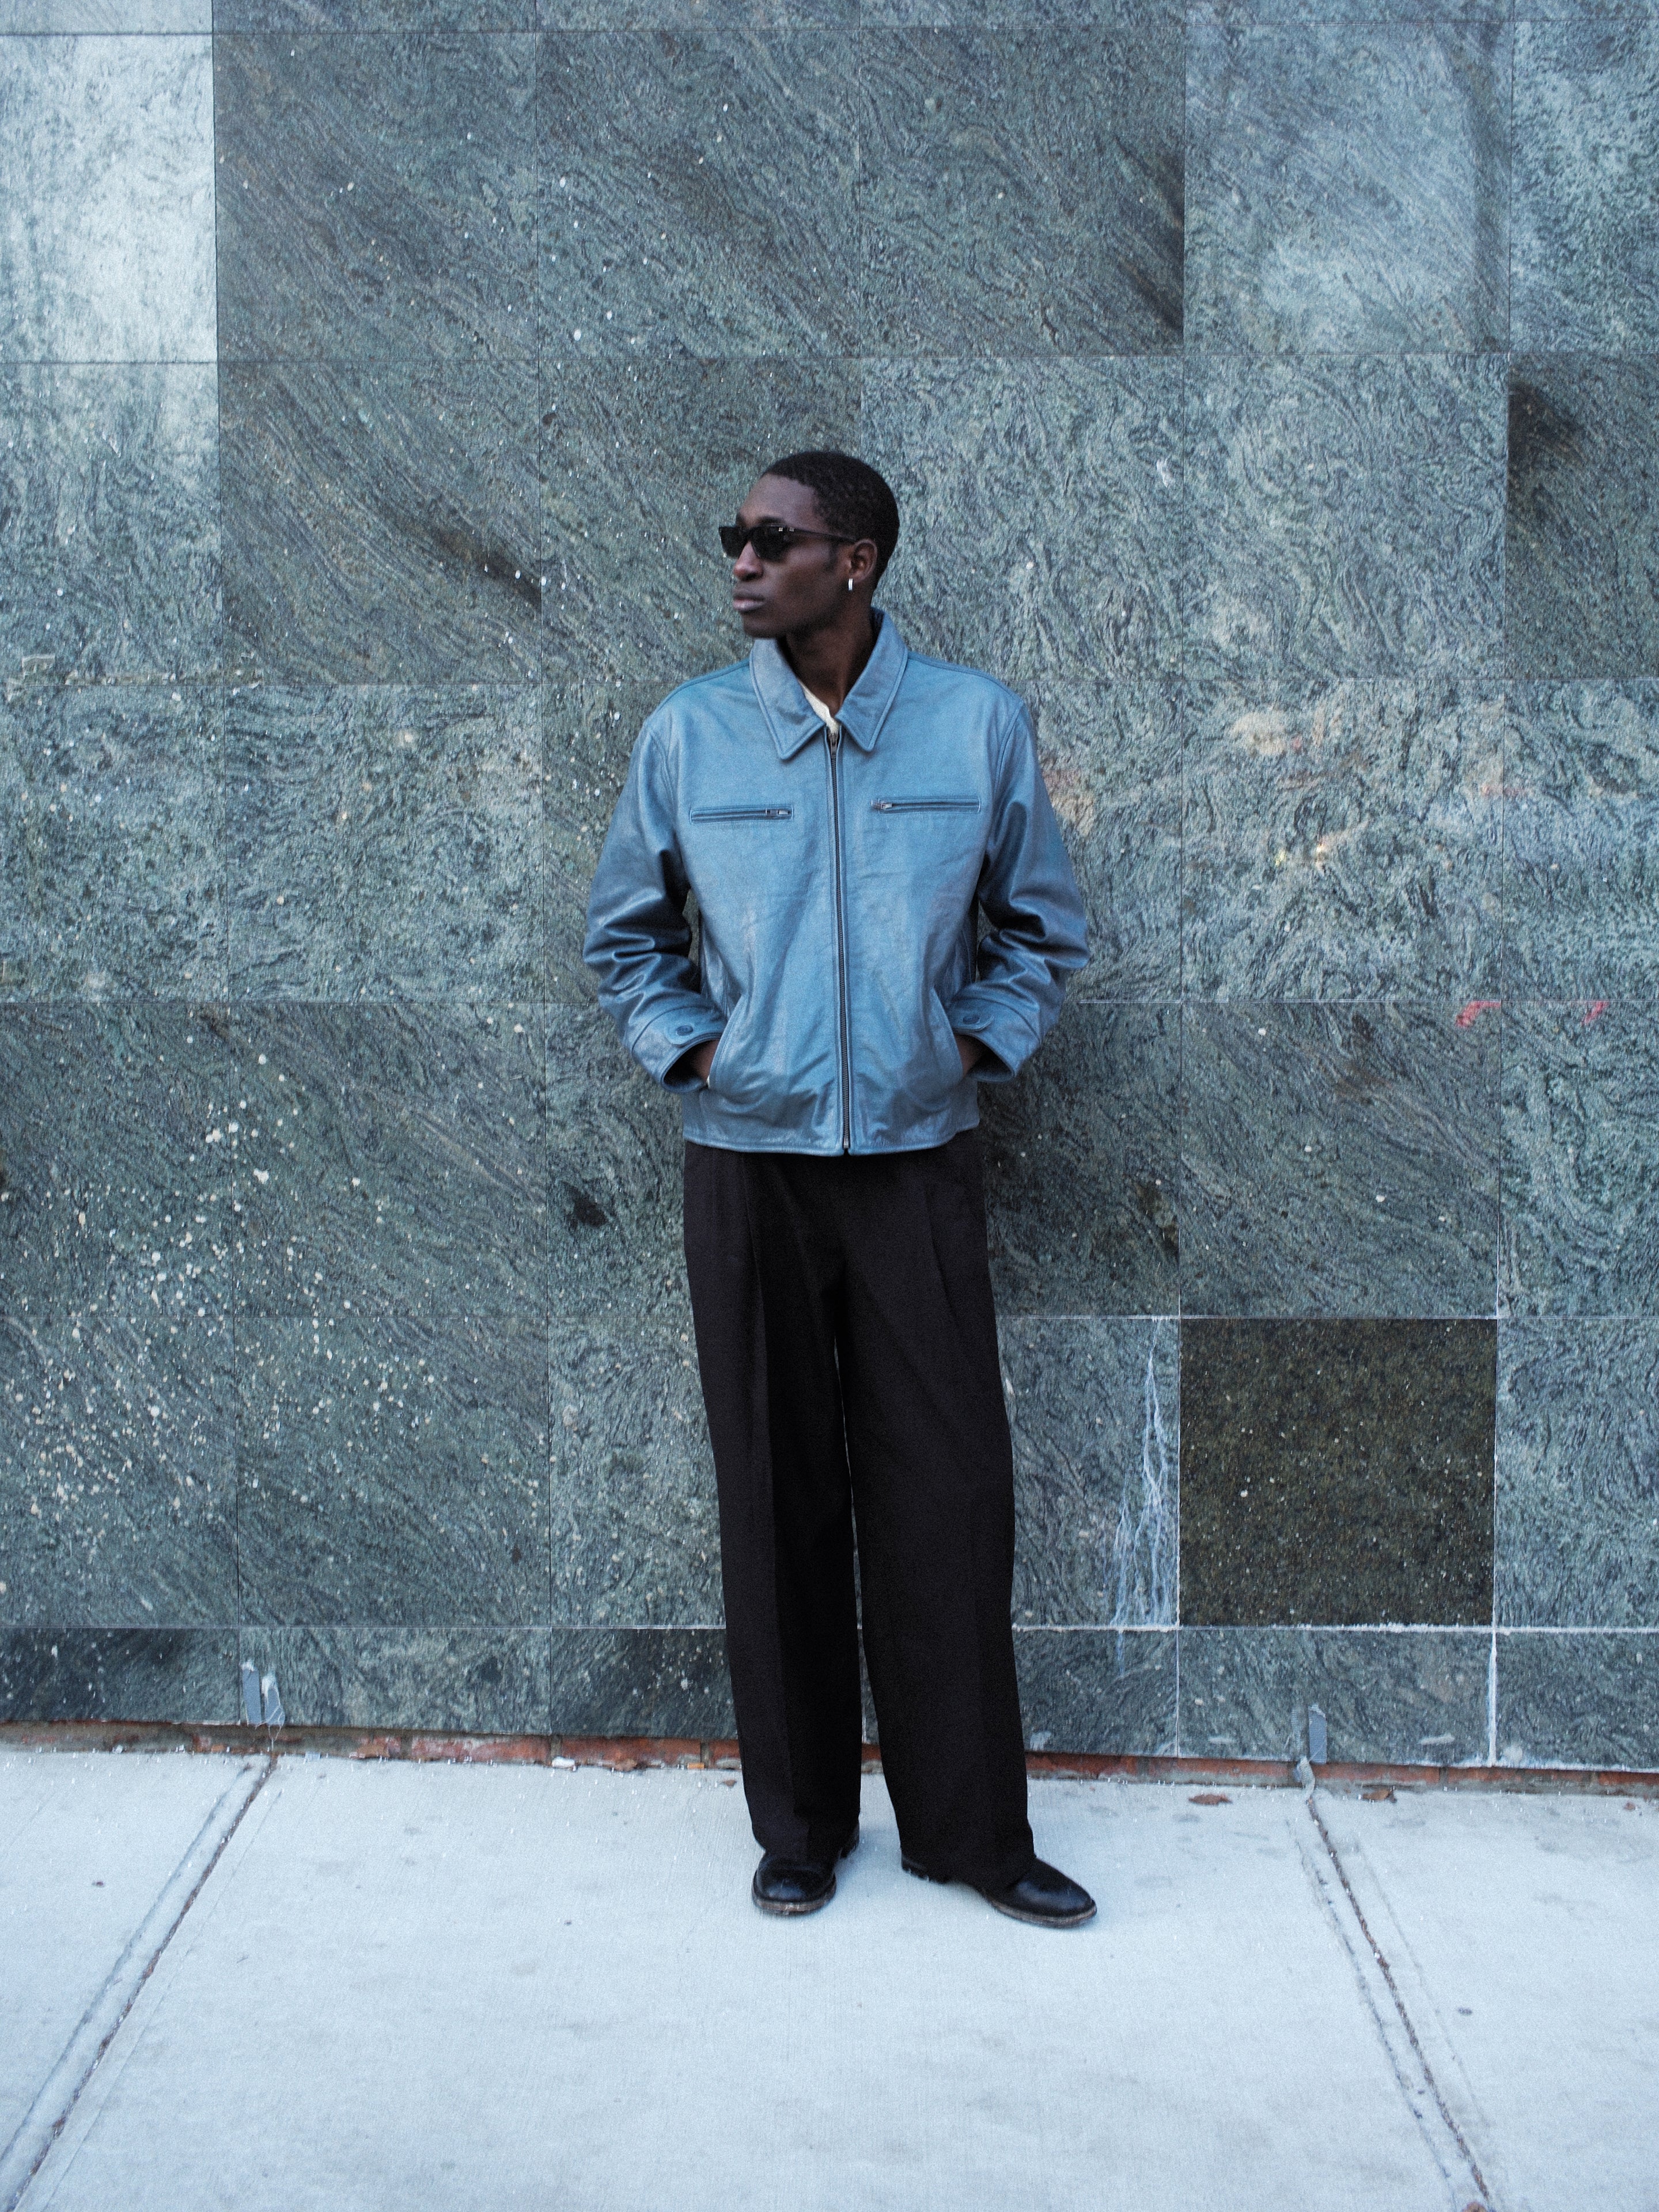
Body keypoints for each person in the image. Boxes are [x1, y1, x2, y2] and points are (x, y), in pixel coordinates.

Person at [584, 450, 1094, 1928]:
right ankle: (800, 1826)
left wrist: (968, 1046)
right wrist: (700, 1061)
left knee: (949, 1499)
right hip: (747, 1168)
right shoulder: (690, 737)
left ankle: (973, 1836)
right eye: (733, 535)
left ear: (854, 563)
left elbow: (1040, 930)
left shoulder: (973, 723)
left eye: (771, 539)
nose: (740, 560)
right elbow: (627, 937)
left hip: (917, 1169)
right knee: (775, 1492)